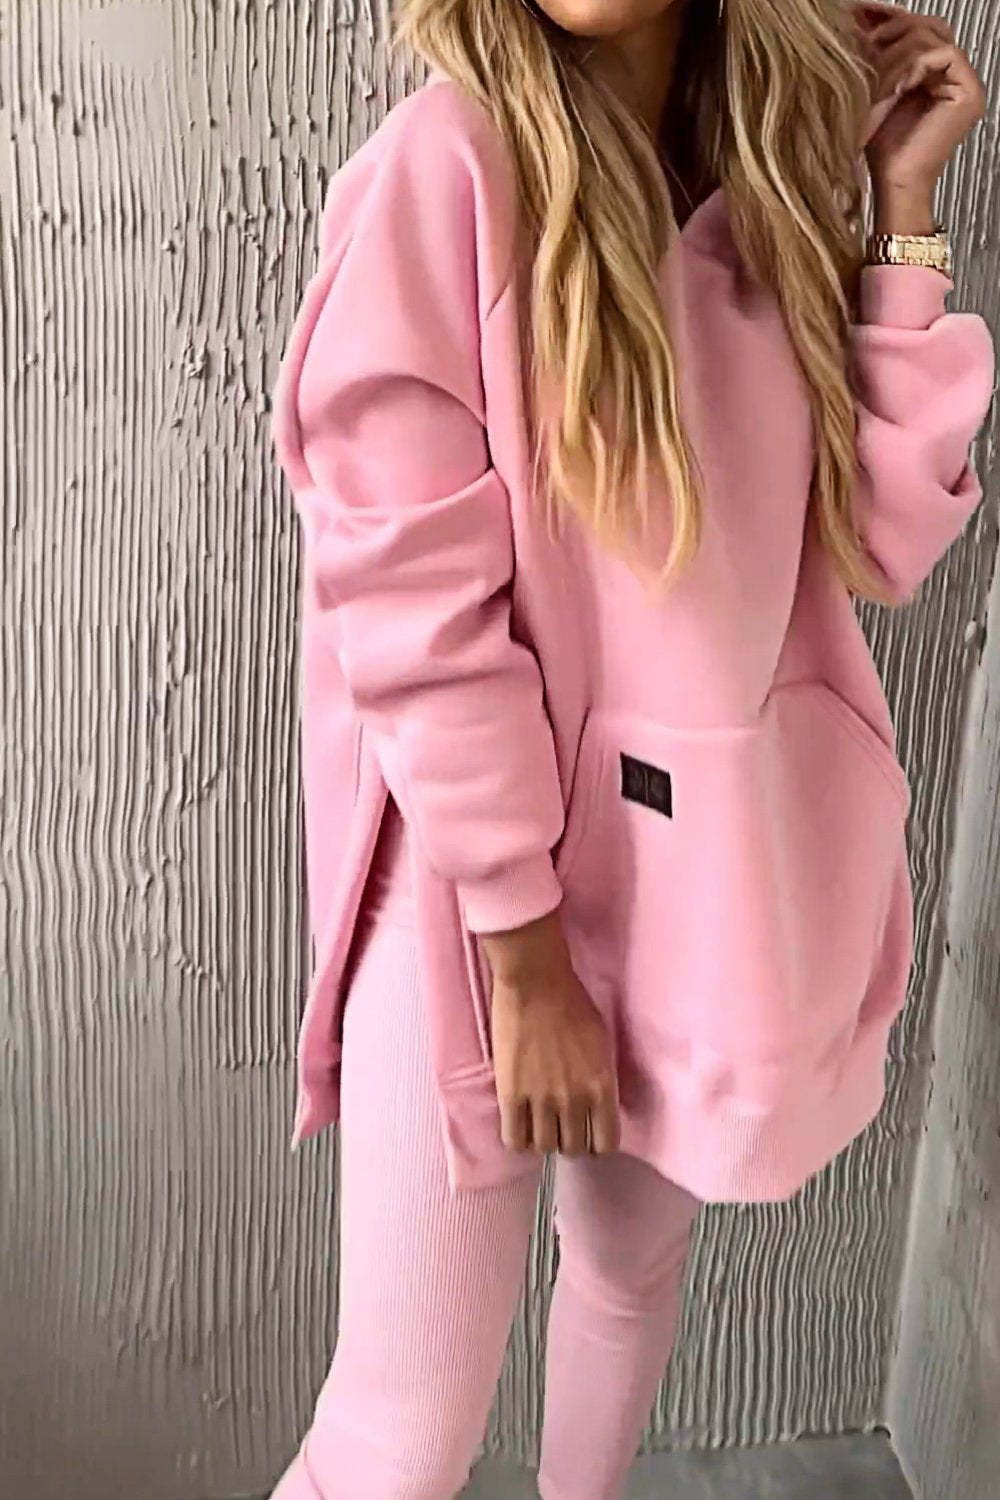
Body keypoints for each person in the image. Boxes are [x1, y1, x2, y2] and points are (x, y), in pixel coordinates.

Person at [268, 1, 993, 1496]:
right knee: (398, 1439)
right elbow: (415, 612)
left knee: (623, 1278)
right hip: (473, 905)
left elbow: (885, 536)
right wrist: (526, 955)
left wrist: (902, 203)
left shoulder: (769, 183)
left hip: (706, 867)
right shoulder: (446, 174)